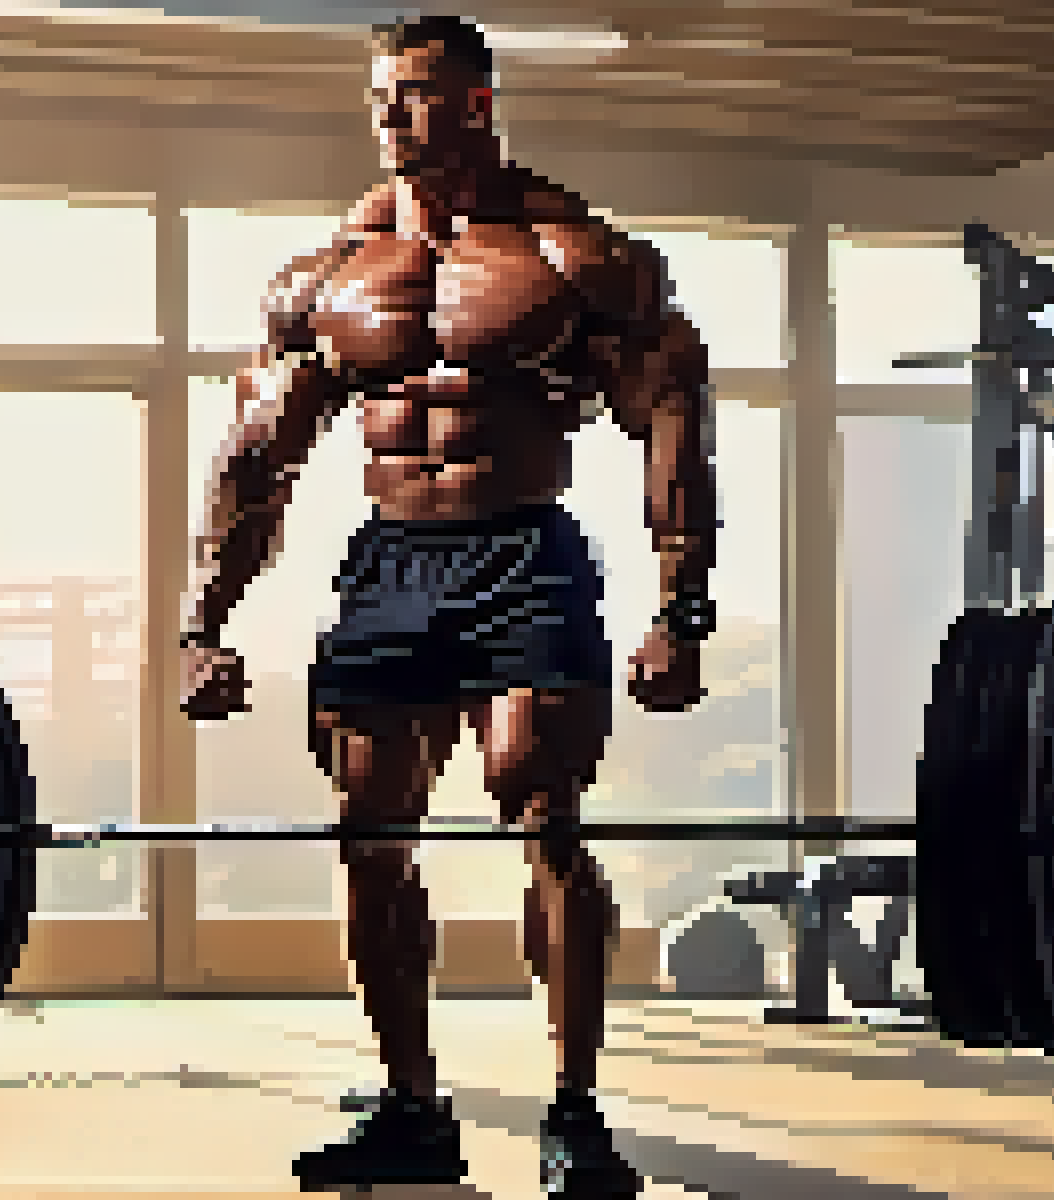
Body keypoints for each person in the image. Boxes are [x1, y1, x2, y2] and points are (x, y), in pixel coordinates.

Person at [177, 14, 716, 1196]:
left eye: (415, 95)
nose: (389, 117)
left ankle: (574, 1111)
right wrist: (200, 622)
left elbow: (672, 417)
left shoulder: (570, 257)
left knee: (542, 814)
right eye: (380, 97)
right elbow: (258, 456)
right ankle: (413, 1106)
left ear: (477, 101)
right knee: (370, 834)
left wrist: (684, 605)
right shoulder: (334, 277)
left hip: (524, 553)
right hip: (392, 566)